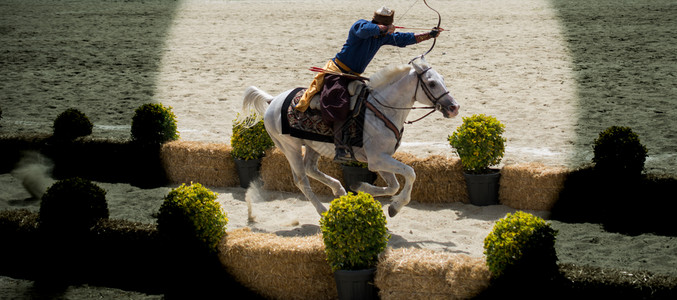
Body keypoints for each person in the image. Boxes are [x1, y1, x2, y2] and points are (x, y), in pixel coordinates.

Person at [294, 6, 440, 162]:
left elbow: (404, 38)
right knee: (339, 104)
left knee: (368, 103)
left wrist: (429, 35)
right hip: (336, 72)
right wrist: (384, 28)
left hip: (353, 76)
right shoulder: (360, 25)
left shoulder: (381, 36)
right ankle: (340, 148)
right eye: (384, 24)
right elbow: (366, 30)